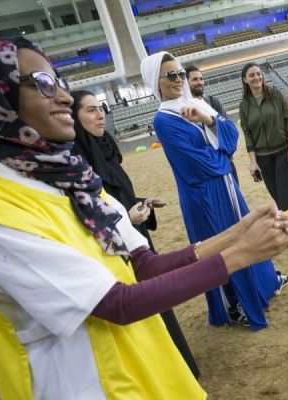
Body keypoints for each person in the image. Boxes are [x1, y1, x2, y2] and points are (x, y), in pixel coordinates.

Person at [0, 37, 288, 399]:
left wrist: (237, 233)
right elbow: (118, 303)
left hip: (142, 365)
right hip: (83, 385)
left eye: (60, 81)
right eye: (42, 82)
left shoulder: (76, 181)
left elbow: (143, 265)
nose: (65, 97)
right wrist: (241, 254)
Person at [140, 52, 288, 332]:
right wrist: (222, 157)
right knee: (221, 248)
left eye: (180, 73)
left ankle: (264, 286)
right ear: (155, 82)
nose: (178, 79)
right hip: (204, 196)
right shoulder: (163, 120)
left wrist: (208, 121)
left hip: (226, 186)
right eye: (170, 75)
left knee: (246, 237)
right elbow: (197, 165)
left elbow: (231, 136)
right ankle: (234, 306)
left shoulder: (196, 103)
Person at [69, 89, 201, 377]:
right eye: (90, 110)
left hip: (137, 238)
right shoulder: (77, 164)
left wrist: (140, 203)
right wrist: (126, 218)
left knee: (160, 308)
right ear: (75, 119)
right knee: (145, 310)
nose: (100, 114)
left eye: (100, 107)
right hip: (116, 253)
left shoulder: (104, 150)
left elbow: (117, 195)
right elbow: (86, 216)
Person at [239, 62, 288, 232]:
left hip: (283, 151)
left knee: (286, 193)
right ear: (245, 80)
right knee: (276, 193)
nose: (256, 77)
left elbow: (287, 120)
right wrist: (253, 162)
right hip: (262, 157)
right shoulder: (244, 105)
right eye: (251, 75)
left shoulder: (275, 94)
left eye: (258, 74)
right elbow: (248, 135)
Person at [186, 65, 239, 183]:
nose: (199, 82)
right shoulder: (184, 108)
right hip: (205, 165)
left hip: (225, 160)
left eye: (201, 79)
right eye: (194, 79)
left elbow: (228, 128)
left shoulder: (212, 102)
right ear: (186, 83)